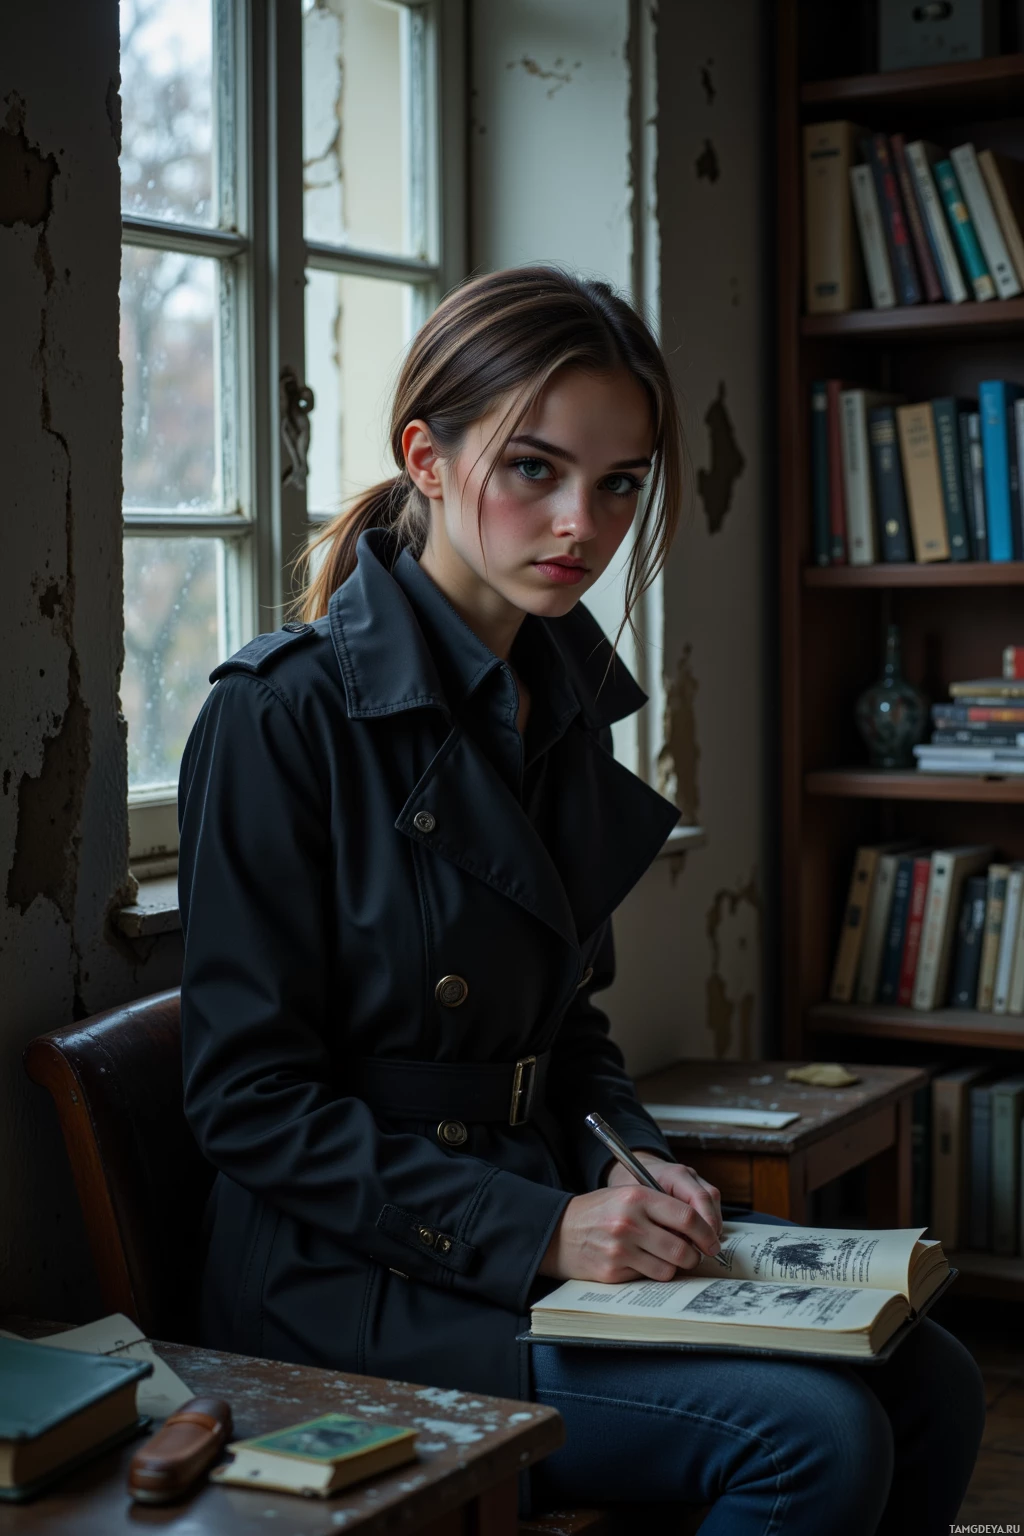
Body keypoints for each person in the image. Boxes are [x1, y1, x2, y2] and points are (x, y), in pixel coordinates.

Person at [178, 265, 985, 1534]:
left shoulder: (548, 693)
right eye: (533, 470)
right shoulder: (278, 713)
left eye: (619, 483)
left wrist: (637, 1161)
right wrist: (545, 1229)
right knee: (812, 1440)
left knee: (930, 1378)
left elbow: (566, 1034)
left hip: (519, 1217)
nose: (582, 526)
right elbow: (248, 1105)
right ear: (426, 459)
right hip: (347, 1278)